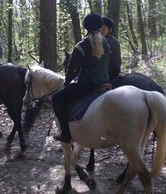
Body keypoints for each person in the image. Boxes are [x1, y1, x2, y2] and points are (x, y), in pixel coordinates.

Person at [52, 13, 110, 143]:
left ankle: (66, 134)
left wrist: (67, 83)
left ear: (86, 27)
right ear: (100, 26)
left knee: (56, 99)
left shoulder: (81, 45)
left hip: (87, 84)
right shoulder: (106, 42)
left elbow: (73, 70)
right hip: (105, 82)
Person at [101, 17, 121, 84]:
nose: (101, 31)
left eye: (103, 29)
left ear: (110, 30)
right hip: (114, 71)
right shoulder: (114, 39)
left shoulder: (105, 41)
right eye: (99, 29)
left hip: (108, 73)